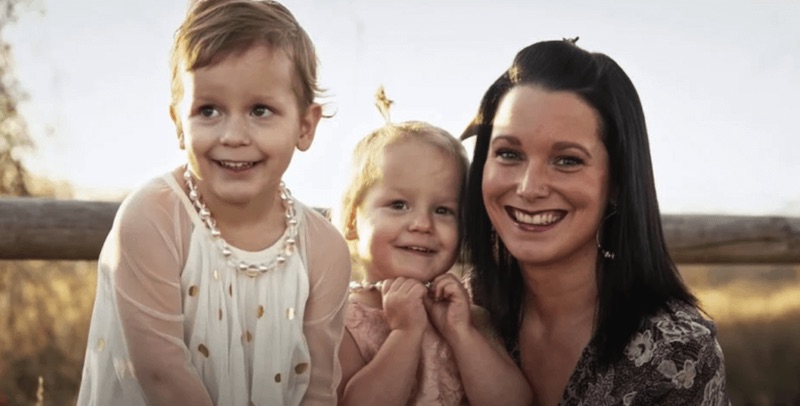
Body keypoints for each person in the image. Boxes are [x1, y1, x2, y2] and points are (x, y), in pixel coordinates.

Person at [77, 1, 351, 405]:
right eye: (208, 110)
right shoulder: (154, 219)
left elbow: (319, 388)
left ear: (305, 125)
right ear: (178, 125)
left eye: (261, 110)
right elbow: (163, 376)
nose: (233, 135)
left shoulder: (325, 250)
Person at [460, 39, 730, 406]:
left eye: (567, 160)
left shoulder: (675, 355)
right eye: (509, 153)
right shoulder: (459, 307)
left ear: (617, 182)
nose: (529, 188)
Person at [335, 89, 533, 405]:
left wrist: (461, 333)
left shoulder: (470, 316)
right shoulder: (340, 319)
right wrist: (405, 334)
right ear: (350, 221)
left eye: (443, 210)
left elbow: (515, 401)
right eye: (398, 205)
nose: (423, 224)